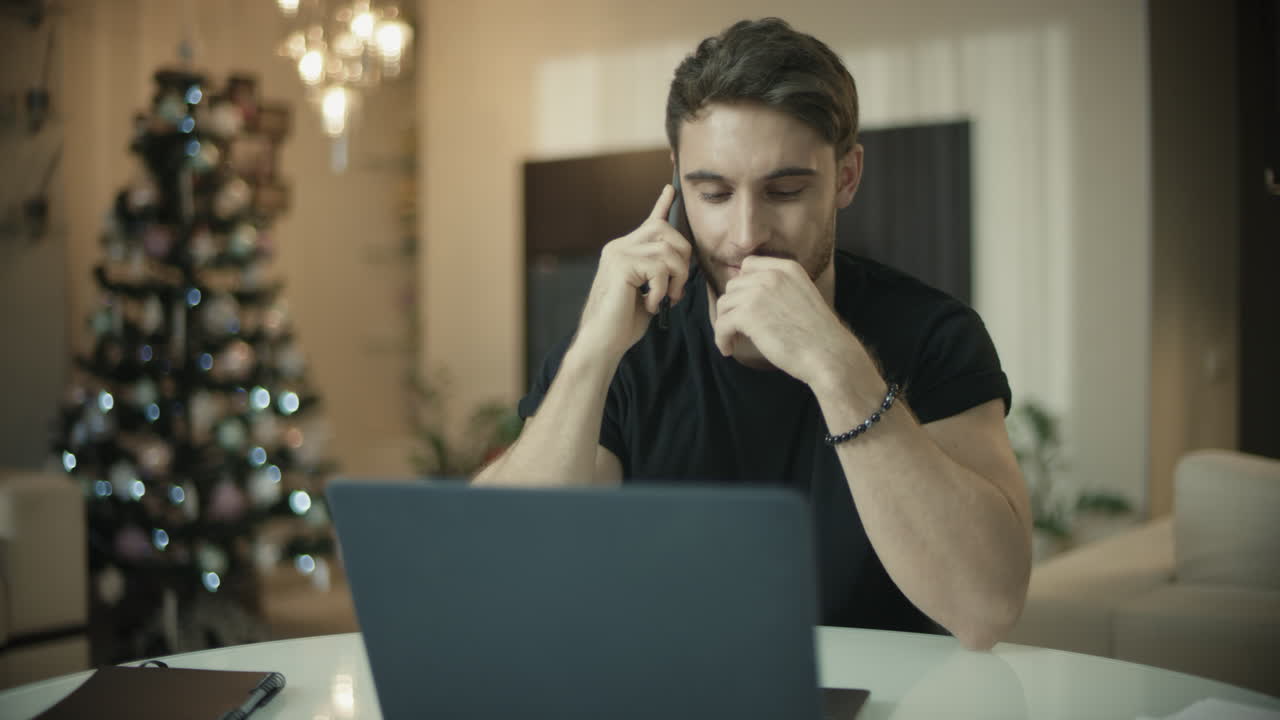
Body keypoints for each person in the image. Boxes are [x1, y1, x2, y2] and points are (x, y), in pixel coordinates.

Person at [473, 17, 1031, 651]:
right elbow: (499, 572)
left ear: (846, 177)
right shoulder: (631, 347)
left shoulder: (934, 334)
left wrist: (835, 365)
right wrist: (593, 354)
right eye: (711, 192)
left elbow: (987, 607)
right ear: (677, 179)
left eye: (785, 190)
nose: (745, 234)